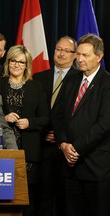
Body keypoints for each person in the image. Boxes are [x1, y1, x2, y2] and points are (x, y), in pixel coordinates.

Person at [0, 45, 49, 216]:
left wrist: (29, 122)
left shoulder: (36, 87)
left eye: (21, 62)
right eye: (13, 61)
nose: (16, 65)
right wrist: (3, 118)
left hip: (29, 152)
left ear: (27, 65)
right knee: (2, 196)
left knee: (26, 199)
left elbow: (46, 118)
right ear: (7, 63)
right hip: (1, 147)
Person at [55, 33, 110, 216]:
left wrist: (75, 149)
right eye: (78, 54)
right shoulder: (70, 80)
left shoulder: (107, 83)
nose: (79, 59)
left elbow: (104, 125)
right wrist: (63, 144)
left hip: (95, 168)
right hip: (69, 169)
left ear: (99, 57)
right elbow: (58, 116)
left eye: (85, 55)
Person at [33, 36, 79, 216]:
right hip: (42, 145)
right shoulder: (39, 77)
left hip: (67, 146)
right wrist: (43, 131)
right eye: (58, 49)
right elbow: (35, 109)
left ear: (75, 55)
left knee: (65, 198)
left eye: (66, 51)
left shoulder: (80, 78)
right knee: (42, 196)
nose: (61, 54)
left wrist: (61, 136)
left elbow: (80, 115)